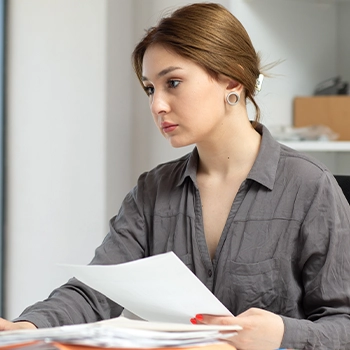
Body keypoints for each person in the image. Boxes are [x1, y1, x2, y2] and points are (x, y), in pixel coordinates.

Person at [1, 3, 350, 349]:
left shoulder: (311, 187)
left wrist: (282, 335)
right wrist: (26, 328)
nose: (157, 105)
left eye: (173, 82)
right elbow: (94, 293)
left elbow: (343, 323)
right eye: (151, 88)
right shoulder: (152, 191)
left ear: (232, 78)